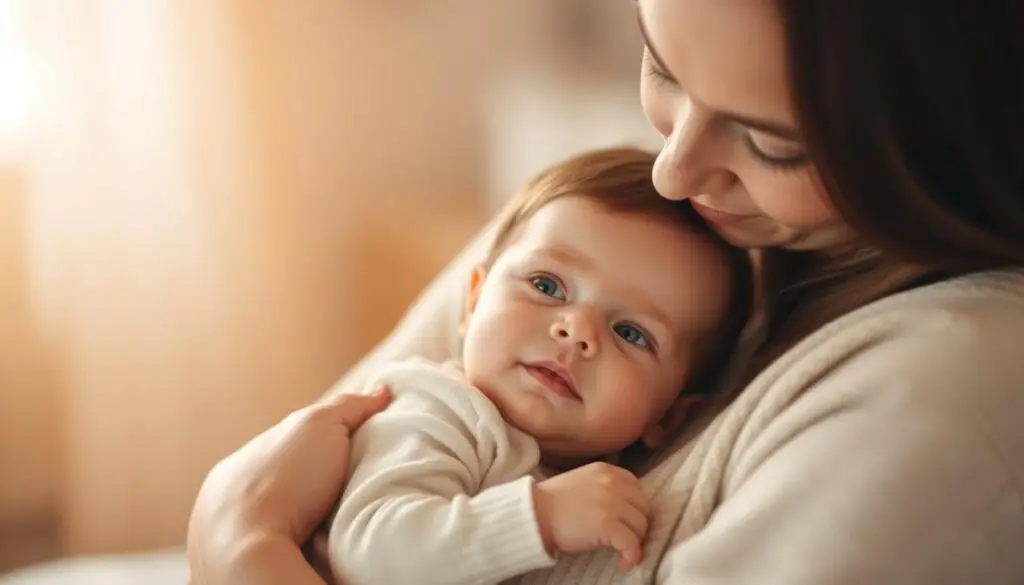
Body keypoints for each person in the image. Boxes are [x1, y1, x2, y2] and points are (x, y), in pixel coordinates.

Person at [187, 1, 1024, 584]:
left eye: (773, 146)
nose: (672, 169)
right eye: (660, 63)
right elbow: (323, 466)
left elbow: (279, 520)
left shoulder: (943, 393)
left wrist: (240, 547)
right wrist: (241, 532)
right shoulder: (619, 217)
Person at [322, 148, 751, 585]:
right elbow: (367, 554)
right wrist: (540, 518)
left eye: (631, 334)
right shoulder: (439, 410)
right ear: (473, 301)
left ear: (671, 417)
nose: (577, 330)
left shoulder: (610, 480)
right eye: (547, 285)